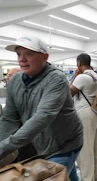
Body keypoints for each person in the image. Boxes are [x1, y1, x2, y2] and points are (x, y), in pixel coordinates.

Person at [1, 36, 83, 180]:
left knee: (54, 174)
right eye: (19, 54)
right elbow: (9, 118)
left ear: (45, 57)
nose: (22, 59)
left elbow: (43, 117)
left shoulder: (56, 79)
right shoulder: (15, 81)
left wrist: (5, 147)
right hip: (37, 145)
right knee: (65, 175)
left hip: (62, 145)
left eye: (29, 54)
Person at [70, 53, 97, 181]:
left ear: (79, 63)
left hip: (85, 114)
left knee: (85, 152)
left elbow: (68, 95)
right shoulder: (96, 76)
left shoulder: (82, 77)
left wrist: (74, 78)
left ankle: (87, 178)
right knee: (96, 149)